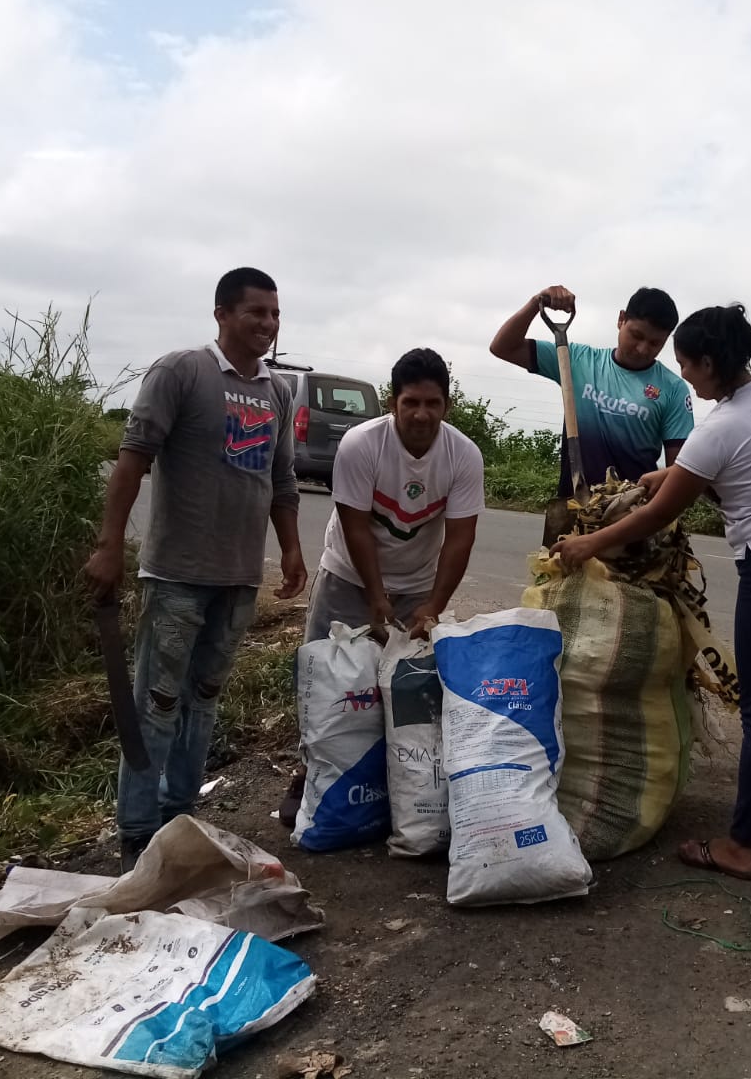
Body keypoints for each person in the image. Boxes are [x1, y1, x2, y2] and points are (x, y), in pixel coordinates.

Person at [552, 305, 751, 880]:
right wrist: (671, 472)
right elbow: (749, 463)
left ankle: (739, 845)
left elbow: (658, 515)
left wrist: (589, 544)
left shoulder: (717, 428)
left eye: (687, 364)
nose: (683, 375)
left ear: (710, 362)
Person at [85, 267, 308, 873]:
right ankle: (138, 833)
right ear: (222, 314)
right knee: (156, 703)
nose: (268, 323)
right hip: (177, 576)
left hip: (238, 580)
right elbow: (132, 461)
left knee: (204, 700)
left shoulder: (276, 392)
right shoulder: (181, 371)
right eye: (256, 312)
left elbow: (281, 480)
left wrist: (290, 549)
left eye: (275, 313)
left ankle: (180, 816)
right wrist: (109, 545)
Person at [307, 347, 484, 641]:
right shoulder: (361, 444)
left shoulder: (464, 455)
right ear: (392, 403)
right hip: (348, 578)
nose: (421, 415)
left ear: (447, 406)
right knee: (327, 667)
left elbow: (460, 539)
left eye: (433, 403)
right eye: (410, 402)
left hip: (416, 587)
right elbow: (356, 528)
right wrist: (376, 596)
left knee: (407, 671)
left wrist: (435, 605)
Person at [489, 285, 694, 499]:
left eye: (655, 343)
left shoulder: (673, 389)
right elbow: (503, 347)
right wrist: (535, 303)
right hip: (573, 505)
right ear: (621, 319)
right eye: (636, 335)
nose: (642, 349)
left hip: (632, 509)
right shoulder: (575, 360)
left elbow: (679, 473)